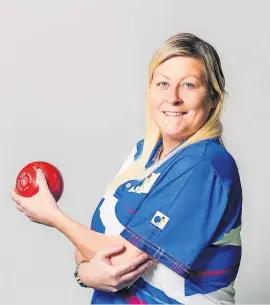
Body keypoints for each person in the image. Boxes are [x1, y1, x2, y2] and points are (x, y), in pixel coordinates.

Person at [11, 32, 242, 304]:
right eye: (163, 83)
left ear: (213, 98)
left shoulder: (204, 165)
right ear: (149, 90)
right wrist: (85, 274)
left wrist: (53, 216)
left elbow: (123, 261)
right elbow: (91, 243)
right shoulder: (142, 153)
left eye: (189, 85)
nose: (173, 97)